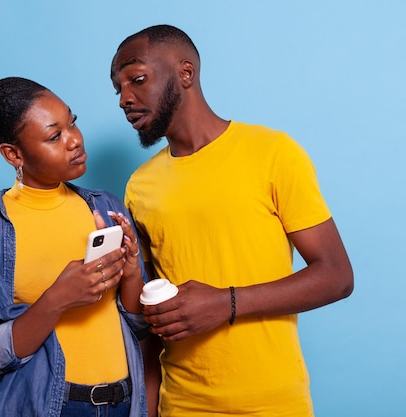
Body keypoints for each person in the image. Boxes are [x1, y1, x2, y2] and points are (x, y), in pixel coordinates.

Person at [109, 25, 354, 417]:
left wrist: (227, 303)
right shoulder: (140, 186)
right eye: (117, 89)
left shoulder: (273, 153)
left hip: (272, 402)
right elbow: (154, 317)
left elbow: (337, 276)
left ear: (186, 73)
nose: (124, 99)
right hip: (181, 404)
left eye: (136, 79)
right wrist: (148, 408)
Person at [0, 77, 149, 416]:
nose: (74, 139)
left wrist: (132, 273)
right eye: (54, 135)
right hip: (51, 406)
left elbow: (139, 325)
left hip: (124, 403)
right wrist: (56, 300)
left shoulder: (105, 208)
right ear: (13, 153)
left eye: (72, 122)